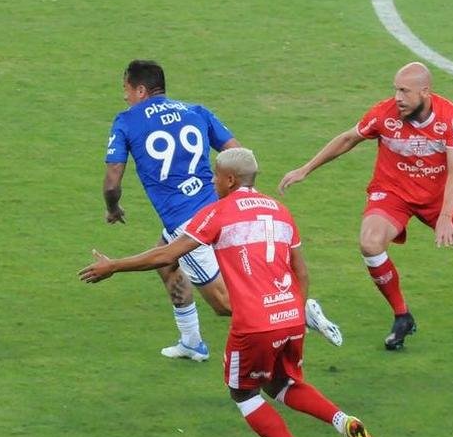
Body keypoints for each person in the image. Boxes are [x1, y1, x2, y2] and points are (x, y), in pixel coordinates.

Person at [82, 148, 374, 437]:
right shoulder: (281, 211)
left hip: (254, 325)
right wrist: (294, 314)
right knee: (281, 383)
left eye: (215, 174)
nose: (211, 179)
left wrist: (114, 266)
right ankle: (344, 422)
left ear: (231, 179)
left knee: (243, 392)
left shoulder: (218, 212)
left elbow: (167, 254)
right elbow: (302, 273)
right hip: (290, 316)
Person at [278, 62, 453, 350]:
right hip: (393, 193)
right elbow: (349, 138)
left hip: (437, 198)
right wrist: (305, 169)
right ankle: (402, 315)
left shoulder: (448, 115)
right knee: (370, 244)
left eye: (404, 91)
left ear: (425, 92)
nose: (397, 97)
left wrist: (446, 216)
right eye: (395, 89)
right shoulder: (384, 114)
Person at [104, 61, 342, 361]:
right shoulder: (197, 112)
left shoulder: (126, 121)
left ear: (140, 90)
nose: (125, 97)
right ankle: (191, 341)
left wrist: (112, 208)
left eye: (126, 89)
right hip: (220, 207)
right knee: (165, 262)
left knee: (223, 303)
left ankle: (298, 311)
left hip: (187, 220)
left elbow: (113, 180)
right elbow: (238, 153)